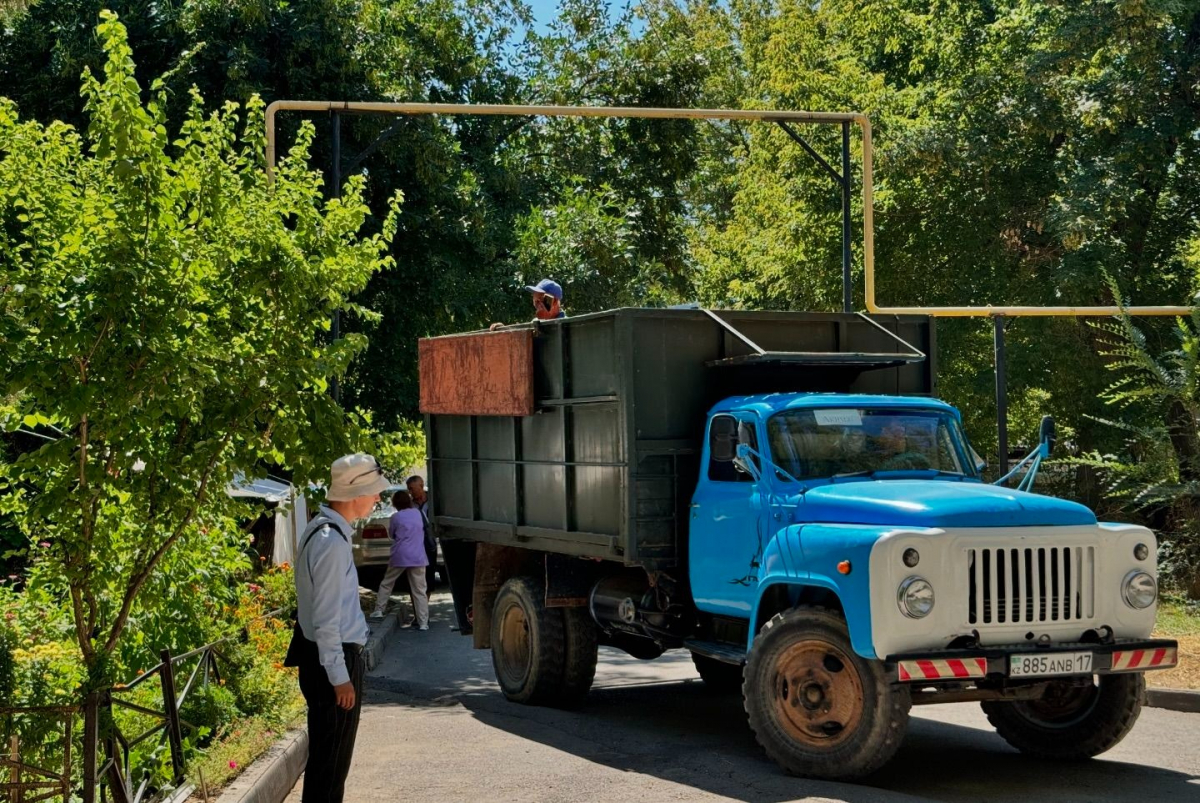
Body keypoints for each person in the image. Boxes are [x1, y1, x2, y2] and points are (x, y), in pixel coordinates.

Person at [285, 453, 389, 803]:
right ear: (355, 493)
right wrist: (340, 677)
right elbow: (327, 618)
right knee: (330, 770)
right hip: (333, 660)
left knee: (327, 765)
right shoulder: (331, 541)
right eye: (374, 491)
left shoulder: (321, 530)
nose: (378, 497)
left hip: (322, 657)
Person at [370, 489, 429, 629]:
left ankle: (379, 610)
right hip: (418, 555)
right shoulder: (419, 513)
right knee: (420, 590)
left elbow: (392, 534)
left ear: (395, 504)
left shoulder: (396, 517)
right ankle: (423, 622)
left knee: (387, 582)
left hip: (400, 555)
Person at [490, 278, 566, 330]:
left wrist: (544, 322)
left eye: (541, 300)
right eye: (535, 300)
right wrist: (504, 329)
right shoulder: (535, 323)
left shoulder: (567, 326)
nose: (538, 306)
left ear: (555, 302)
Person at [406, 475, 438, 590]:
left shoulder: (433, 501)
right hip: (415, 544)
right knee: (414, 578)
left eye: (412, 489)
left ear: (421, 486)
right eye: (409, 489)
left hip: (429, 543)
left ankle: (425, 599)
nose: (410, 492)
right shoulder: (409, 504)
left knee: (429, 576)